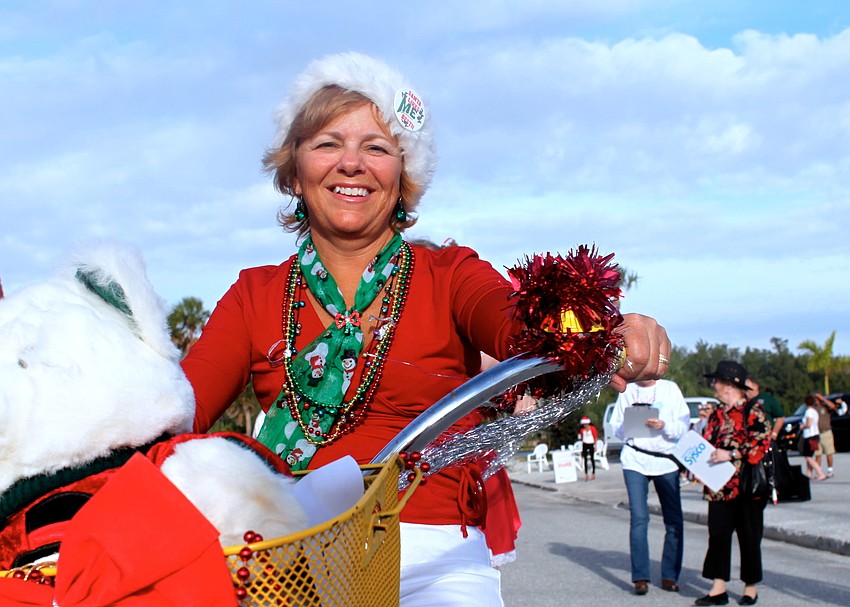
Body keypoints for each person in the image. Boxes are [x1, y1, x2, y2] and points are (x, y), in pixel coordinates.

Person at [180, 51, 671, 606]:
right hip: (286, 558)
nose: (351, 163)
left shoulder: (451, 274)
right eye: (327, 143)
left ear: (403, 173)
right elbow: (175, 411)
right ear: (294, 171)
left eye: (376, 147)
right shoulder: (254, 294)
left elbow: (520, 327)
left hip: (434, 561)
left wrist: (603, 326)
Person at [697, 361, 771, 606]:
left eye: (716, 381)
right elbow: (706, 441)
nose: (713, 385)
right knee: (718, 535)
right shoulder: (717, 413)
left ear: (729, 385)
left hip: (747, 485)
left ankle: (750, 587)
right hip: (719, 486)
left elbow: (762, 440)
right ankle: (718, 588)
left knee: (749, 536)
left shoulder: (752, 410)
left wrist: (731, 454)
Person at [609, 378, 690, 595]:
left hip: (665, 460)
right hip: (635, 459)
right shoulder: (628, 391)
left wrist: (664, 425)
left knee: (673, 520)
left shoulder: (670, 389)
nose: (645, 376)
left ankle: (669, 575)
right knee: (639, 517)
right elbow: (615, 426)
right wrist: (631, 425)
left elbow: (683, 426)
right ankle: (640, 577)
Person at [744, 376, 784, 443]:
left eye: (747, 387)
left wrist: (774, 433)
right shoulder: (743, 401)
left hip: (765, 440)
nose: (745, 390)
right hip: (748, 439)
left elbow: (780, 417)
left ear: (755, 386)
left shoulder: (767, 399)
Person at [801, 395, 827, 481]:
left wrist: (802, 426)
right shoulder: (815, 411)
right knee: (809, 456)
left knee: (807, 456)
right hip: (815, 435)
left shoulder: (809, 412)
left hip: (810, 436)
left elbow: (809, 424)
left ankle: (820, 473)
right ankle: (809, 474)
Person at [813, 392, 838, 477]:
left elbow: (833, 406)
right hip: (816, 433)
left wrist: (823, 398)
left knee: (829, 452)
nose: (816, 400)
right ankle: (818, 471)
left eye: (817, 399)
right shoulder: (813, 408)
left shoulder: (825, 407)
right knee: (817, 454)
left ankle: (830, 470)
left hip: (826, 432)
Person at [578, 416, 599, 481]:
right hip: (585, 444)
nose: (585, 425)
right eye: (584, 424)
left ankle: (593, 473)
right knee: (585, 460)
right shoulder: (582, 430)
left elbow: (595, 437)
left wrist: (595, 446)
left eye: (586, 424)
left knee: (592, 459)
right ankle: (586, 474)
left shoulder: (592, 428)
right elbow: (582, 438)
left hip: (591, 443)